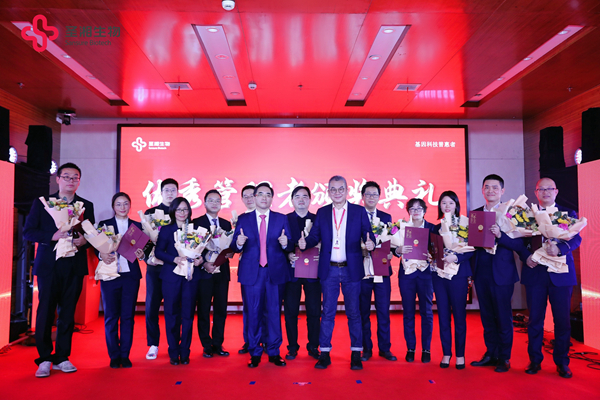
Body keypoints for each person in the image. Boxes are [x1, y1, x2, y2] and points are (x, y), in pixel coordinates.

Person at [24, 162, 95, 378]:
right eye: (66, 177)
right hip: (49, 266)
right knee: (45, 312)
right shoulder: (43, 203)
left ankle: (62, 357)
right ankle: (45, 358)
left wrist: (85, 241)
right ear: (58, 179)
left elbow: (91, 233)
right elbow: (28, 232)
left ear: (79, 181)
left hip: (74, 266)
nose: (71, 181)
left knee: (67, 313)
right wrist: (51, 236)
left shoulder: (86, 205)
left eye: (75, 178)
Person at [299, 175, 375, 370]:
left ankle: (356, 353)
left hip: (352, 269)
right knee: (328, 313)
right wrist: (304, 243)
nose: (337, 192)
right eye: (333, 189)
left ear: (347, 191)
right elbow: (314, 236)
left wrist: (371, 244)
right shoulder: (323, 212)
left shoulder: (358, 211)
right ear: (328, 192)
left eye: (341, 189)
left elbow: (369, 235)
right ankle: (325, 353)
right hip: (329, 269)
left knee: (354, 313)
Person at [522, 178, 581, 378]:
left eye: (549, 189)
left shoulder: (568, 213)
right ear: (536, 192)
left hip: (561, 274)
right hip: (535, 273)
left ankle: (562, 362)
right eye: (541, 189)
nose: (545, 192)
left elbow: (577, 238)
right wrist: (526, 256)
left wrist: (560, 248)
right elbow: (519, 240)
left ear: (556, 191)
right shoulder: (528, 215)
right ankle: (534, 360)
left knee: (562, 321)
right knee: (535, 320)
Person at [470, 174, 529, 373]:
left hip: (502, 274)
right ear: (482, 190)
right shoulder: (476, 214)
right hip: (481, 273)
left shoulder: (511, 214)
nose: (491, 191)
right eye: (487, 187)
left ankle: (504, 357)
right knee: (487, 316)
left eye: (495, 187)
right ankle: (491, 354)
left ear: (502, 191)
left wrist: (500, 235)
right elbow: (471, 247)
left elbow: (518, 245)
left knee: (503, 317)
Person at [231, 182, 292, 368]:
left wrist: (285, 243)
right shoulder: (244, 219)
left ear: (272, 198)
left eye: (268, 194)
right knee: (253, 312)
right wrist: (239, 243)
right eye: (261, 194)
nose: (264, 198)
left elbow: (289, 246)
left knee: (274, 312)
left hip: (275, 272)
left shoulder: (281, 219)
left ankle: (274, 351)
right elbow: (234, 247)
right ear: (255, 197)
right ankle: (255, 352)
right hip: (252, 273)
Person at [97, 192, 145, 368]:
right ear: (113, 207)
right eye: (119, 204)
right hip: (110, 275)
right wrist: (101, 255)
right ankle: (114, 355)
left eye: (125, 203)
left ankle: (125, 354)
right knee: (111, 316)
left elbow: (144, 252)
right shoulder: (104, 225)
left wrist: (142, 254)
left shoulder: (137, 226)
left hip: (130, 276)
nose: (122, 207)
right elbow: (96, 247)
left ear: (130, 206)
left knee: (128, 316)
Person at [154, 197, 203, 365]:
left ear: (189, 211)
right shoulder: (166, 230)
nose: (182, 212)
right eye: (179, 209)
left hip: (190, 277)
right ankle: (173, 351)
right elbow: (158, 252)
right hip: (171, 277)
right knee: (171, 314)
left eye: (185, 209)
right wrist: (174, 259)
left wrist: (200, 260)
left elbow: (201, 252)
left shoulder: (195, 230)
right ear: (173, 211)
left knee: (188, 315)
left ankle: (185, 351)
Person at [431, 191, 473, 369]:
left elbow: (472, 249)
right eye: (443, 203)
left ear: (456, 205)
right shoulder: (435, 228)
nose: (447, 206)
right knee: (443, 316)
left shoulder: (465, 225)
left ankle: (460, 355)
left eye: (451, 203)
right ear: (439, 206)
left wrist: (456, 257)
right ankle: (446, 353)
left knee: (459, 316)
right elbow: (432, 249)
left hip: (459, 275)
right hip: (439, 276)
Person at [359, 181, 397, 362]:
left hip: (382, 270)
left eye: (375, 194)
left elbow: (391, 241)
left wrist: (391, 252)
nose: (371, 197)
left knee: (383, 311)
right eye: (368, 194)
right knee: (363, 312)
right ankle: (366, 349)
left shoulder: (386, 216)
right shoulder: (356, 215)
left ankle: (385, 348)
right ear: (362, 197)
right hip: (362, 271)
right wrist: (361, 249)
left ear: (379, 196)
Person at [192, 189, 232, 358]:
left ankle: (218, 343)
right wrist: (204, 264)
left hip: (222, 273)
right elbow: (192, 248)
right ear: (204, 203)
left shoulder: (226, 224)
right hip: (204, 273)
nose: (214, 203)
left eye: (217, 201)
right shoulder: (196, 223)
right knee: (203, 310)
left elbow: (229, 247)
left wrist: (230, 253)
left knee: (221, 309)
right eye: (211, 200)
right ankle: (206, 345)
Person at [283, 186, 321, 360]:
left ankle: (313, 346)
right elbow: (279, 243)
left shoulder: (317, 219)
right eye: (297, 196)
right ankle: (292, 347)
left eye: (305, 196)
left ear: (310, 199)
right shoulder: (285, 219)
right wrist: (287, 254)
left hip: (313, 272)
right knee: (291, 311)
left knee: (314, 311)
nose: (301, 199)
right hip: (292, 273)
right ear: (292, 200)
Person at [395, 198, 435, 363]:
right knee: (408, 312)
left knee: (427, 312)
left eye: (419, 208)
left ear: (424, 211)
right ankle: (410, 348)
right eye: (412, 208)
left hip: (426, 275)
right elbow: (393, 249)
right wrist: (398, 249)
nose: (416, 211)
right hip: (407, 275)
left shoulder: (432, 228)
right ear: (408, 211)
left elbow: (439, 250)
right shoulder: (402, 228)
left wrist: (433, 255)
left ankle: (426, 349)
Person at [144, 178, 179, 360]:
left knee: (174, 308)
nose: (170, 193)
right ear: (161, 192)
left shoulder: (181, 213)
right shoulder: (150, 213)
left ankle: (174, 343)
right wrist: (147, 257)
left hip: (175, 267)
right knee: (152, 306)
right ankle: (153, 344)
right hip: (155, 267)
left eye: (173, 190)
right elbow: (143, 240)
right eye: (167, 190)